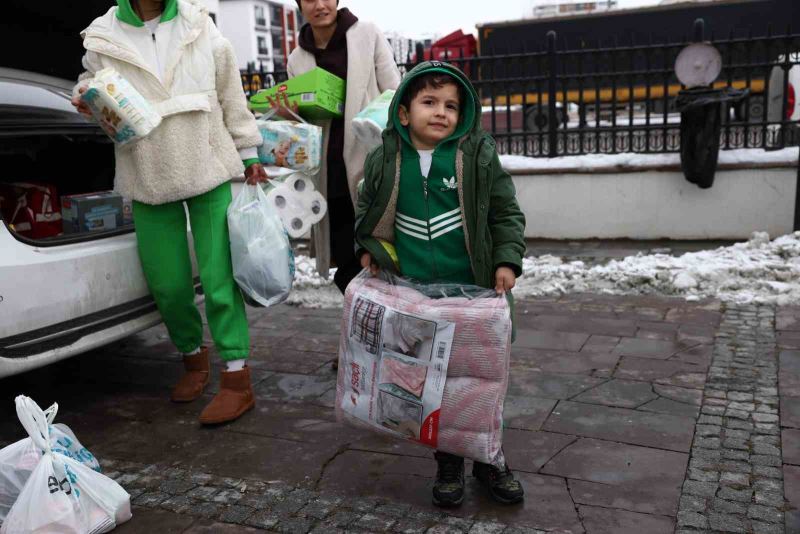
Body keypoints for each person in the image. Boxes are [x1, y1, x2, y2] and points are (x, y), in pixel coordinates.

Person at [71, 0, 268, 425]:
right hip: (145, 166)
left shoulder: (200, 23)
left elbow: (231, 91)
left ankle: (237, 379)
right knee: (167, 281)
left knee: (219, 276)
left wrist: (249, 151)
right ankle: (193, 359)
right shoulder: (102, 34)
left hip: (208, 157)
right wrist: (85, 99)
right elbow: (91, 84)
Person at [355, 61, 527, 507]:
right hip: (417, 295)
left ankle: (491, 459)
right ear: (404, 111)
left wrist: (506, 260)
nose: (441, 112)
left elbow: (505, 213)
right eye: (429, 102)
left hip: (477, 292)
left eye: (451, 105)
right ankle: (448, 460)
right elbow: (368, 211)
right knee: (435, 381)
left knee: (482, 381)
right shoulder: (386, 159)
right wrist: (371, 250)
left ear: (464, 114)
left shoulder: (478, 157)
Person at [287, 0, 401, 293]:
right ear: (300, 5)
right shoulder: (297, 59)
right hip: (329, 174)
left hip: (371, 163)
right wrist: (289, 113)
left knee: (381, 253)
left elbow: (395, 93)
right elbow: (303, 126)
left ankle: (388, 323)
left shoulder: (367, 34)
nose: (320, 5)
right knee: (346, 264)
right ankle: (364, 324)